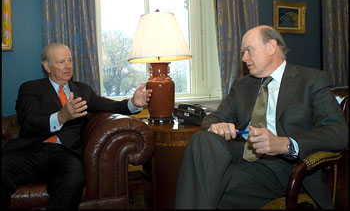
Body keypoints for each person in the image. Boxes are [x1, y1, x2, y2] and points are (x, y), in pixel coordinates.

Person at [174, 25, 348, 209]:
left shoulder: (311, 80)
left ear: (272, 47)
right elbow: (213, 117)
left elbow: (338, 133)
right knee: (202, 139)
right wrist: (217, 126)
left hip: (286, 167)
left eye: (249, 50)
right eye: (243, 52)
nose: (244, 58)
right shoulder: (242, 86)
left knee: (208, 183)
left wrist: (285, 144)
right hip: (244, 158)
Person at [1, 43, 152, 210]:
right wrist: (61, 116)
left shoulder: (83, 90)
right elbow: (28, 122)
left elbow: (109, 105)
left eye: (70, 60)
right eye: (61, 62)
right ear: (47, 66)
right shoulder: (31, 89)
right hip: (30, 150)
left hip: (64, 153)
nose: (68, 66)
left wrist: (133, 103)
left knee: (74, 179)